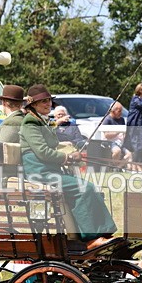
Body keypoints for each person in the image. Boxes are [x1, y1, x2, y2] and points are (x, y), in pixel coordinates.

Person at [20, 84, 117, 249]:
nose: (48, 104)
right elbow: (43, 152)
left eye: (49, 100)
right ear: (33, 105)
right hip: (40, 173)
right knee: (84, 189)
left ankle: (103, 233)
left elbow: (52, 145)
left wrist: (71, 153)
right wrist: (67, 157)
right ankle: (91, 239)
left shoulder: (42, 121)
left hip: (50, 170)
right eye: (43, 101)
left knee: (92, 189)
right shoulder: (30, 122)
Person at [101, 101, 133, 169]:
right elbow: (106, 135)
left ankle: (118, 167)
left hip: (121, 142)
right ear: (113, 111)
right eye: (119, 111)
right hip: (110, 142)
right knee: (117, 151)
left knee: (129, 154)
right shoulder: (107, 120)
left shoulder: (121, 119)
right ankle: (113, 165)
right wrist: (117, 132)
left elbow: (124, 132)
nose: (121, 113)